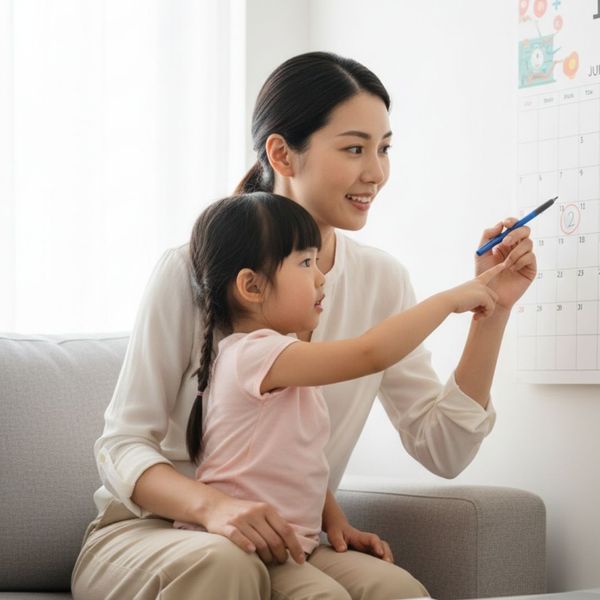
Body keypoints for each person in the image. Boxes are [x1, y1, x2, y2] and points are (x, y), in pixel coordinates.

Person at [72, 51, 536, 600]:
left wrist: (492, 310)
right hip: (153, 531)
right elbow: (122, 445)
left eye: (384, 149)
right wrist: (216, 507)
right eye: (354, 148)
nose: (377, 172)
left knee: (394, 591)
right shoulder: (193, 268)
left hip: (287, 539)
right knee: (225, 566)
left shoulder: (382, 281)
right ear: (281, 153)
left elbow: (445, 451)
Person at [171, 191, 506, 576]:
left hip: (290, 546)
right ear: (252, 287)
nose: (320, 276)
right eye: (306, 263)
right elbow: (370, 353)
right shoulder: (254, 355)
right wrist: (449, 300)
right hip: (237, 545)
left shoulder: (284, 361)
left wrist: (335, 521)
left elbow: (299, 460)